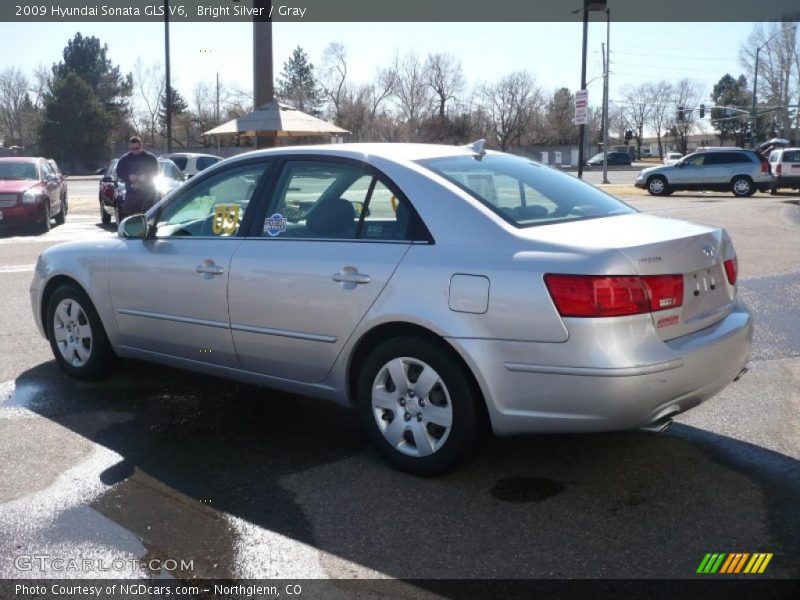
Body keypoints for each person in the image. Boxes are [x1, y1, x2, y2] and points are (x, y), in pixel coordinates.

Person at [115, 136, 159, 216]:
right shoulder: (125, 159)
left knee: (149, 215)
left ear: (141, 146)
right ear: (130, 147)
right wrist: (128, 177)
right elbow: (119, 173)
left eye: (137, 148)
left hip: (148, 193)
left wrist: (146, 177)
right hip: (131, 193)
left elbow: (156, 172)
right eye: (132, 149)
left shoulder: (150, 158)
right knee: (131, 216)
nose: (135, 151)